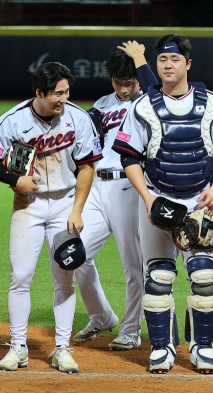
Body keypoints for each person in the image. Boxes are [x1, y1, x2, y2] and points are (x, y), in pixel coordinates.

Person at [113, 34, 213, 374]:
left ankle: (202, 347)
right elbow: (128, 157)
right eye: (162, 61)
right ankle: (162, 348)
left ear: (188, 64)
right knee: (157, 277)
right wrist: (148, 196)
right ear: (156, 65)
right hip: (158, 198)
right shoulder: (142, 107)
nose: (168, 66)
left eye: (174, 60)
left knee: (205, 275)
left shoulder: (211, 103)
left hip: (199, 201)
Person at [0, 62, 102, 374]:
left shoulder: (78, 118)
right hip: (27, 206)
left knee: (65, 276)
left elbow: (87, 165)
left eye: (66, 92)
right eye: (57, 93)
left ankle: (62, 347)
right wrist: (13, 179)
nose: (63, 98)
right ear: (39, 93)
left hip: (64, 205)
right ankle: (18, 346)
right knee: (20, 276)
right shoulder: (12, 120)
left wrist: (77, 210)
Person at [72, 41, 158, 351]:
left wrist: (141, 62)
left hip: (128, 188)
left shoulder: (151, 101)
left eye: (130, 81)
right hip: (96, 187)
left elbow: (157, 94)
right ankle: (102, 317)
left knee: (133, 264)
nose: (124, 89)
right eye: (119, 83)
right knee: (75, 256)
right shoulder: (102, 104)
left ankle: (132, 329)